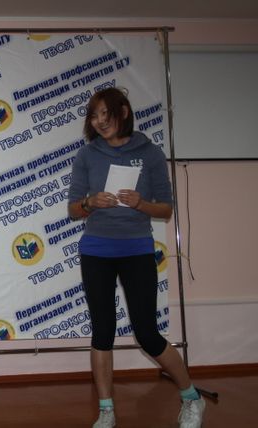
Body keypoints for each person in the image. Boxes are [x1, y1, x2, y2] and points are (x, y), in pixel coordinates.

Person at [67, 88, 205, 428]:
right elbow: (73, 209)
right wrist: (89, 203)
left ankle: (192, 397)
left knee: (146, 333)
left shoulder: (150, 153)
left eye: (105, 113)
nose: (99, 121)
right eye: (94, 116)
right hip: (96, 250)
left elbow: (166, 209)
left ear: (124, 112)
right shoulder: (87, 155)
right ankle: (106, 411)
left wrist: (140, 203)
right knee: (102, 332)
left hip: (136, 250)